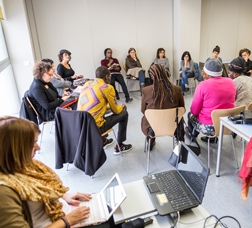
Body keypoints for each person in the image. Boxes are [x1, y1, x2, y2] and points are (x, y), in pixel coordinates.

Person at [0, 116, 93, 228]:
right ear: (16, 148)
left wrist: (62, 196)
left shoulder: (23, 166)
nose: (38, 147)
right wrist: (67, 220)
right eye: (33, 143)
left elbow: (37, 191)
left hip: (62, 214)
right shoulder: (4, 192)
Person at [77, 66, 132, 155]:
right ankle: (120, 146)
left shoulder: (87, 84)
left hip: (81, 126)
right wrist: (121, 106)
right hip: (95, 128)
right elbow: (116, 111)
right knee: (124, 113)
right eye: (109, 76)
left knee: (99, 114)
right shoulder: (107, 87)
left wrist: (107, 107)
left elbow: (96, 103)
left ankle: (103, 141)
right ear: (107, 76)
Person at [186, 58, 236, 143]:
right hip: (227, 125)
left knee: (190, 114)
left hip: (209, 128)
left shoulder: (203, 85)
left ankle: (192, 135)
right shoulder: (231, 82)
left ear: (206, 73)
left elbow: (194, 111)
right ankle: (212, 139)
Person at [141, 64, 185, 151]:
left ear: (151, 76)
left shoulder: (146, 91)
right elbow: (182, 109)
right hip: (173, 126)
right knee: (179, 117)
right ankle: (180, 143)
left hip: (152, 128)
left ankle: (150, 140)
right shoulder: (177, 89)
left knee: (149, 117)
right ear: (165, 73)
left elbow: (143, 111)